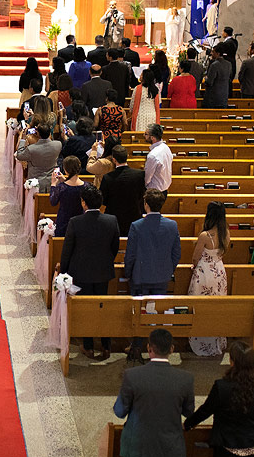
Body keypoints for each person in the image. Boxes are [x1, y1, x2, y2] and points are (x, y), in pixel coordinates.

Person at [185, 341, 254, 457]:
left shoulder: (222, 387)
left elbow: (206, 410)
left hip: (230, 446)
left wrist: (188, 424)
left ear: (232, 362)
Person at [113, 328, 194, 457]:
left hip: (138, 444)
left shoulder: (132, 375)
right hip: (169, 447)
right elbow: (188, 412)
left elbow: (120, 412)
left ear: (149, 348)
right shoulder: (185, 379)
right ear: (172, 349)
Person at [59, 185, 120, 359]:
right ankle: (106, 345)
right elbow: (114, 247)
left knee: (86, 309)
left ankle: (88, 346)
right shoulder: (111, 220)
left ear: (84, 203)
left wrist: (63, 272)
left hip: (81, 272)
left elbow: (67, 250)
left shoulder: (75, 222)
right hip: (103, 271)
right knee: (102, 307)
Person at [124, 188, 182, 362]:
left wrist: (129, 273)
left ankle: (136, 346)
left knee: (139, 313)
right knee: (156, 313)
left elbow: (131, 255)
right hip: (161, 277)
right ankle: (156, 348)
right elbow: (176, 253)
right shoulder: (172, 225)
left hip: (140, 277)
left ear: (146, 204)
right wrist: (167, 270)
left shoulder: (136, 226)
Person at [187, 202, 230, 357]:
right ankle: (215, 340)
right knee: (216, 307)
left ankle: (202, 342)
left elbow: (195, 257)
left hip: (205, 273)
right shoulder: (225, 233)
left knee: (200, 307)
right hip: (219, 271)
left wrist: (194, 266)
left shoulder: (205, 235)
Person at [99, 144, 146, 234]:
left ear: (114, 159)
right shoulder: (139, 175)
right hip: (134, 216)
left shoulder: (107, 178)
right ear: (127, 156)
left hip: (114, 218)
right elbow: (142, 195)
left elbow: (103, 200)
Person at [15, 123, 61, 193]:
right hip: (52, 181)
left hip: (36, 183)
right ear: (49, 134)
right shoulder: (58, 144)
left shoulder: (31, 149)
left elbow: (19, 155)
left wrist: (23, 139)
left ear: (37, 134)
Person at [48, 155, 85, 238]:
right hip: (80, 221)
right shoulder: (86, 186)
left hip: (64, 221)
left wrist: (53, 184)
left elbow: (53, 202)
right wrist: (65, 180)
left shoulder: (62, 187)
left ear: (65, 170)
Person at [141, 123, 173, 196]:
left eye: (146, 134)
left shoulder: (153, 155)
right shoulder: (166, 148)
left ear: (152, 138)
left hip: (154, 192)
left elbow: (147, 178)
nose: (143, 135)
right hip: (164, 189)